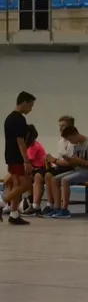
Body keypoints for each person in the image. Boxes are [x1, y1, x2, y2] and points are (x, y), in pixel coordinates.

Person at [44, 125, 88, 219]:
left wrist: (80, 161)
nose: (70, 142)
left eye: (70, 139)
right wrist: (69, 160)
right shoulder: (77, 145)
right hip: (78, 170)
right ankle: (57, 207)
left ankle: (64, 209)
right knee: (54, 179)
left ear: (75, 134)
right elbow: (75, 163)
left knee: (65, 180)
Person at [3, 91, 36, 225]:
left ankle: (14, 214)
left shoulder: (9, 117)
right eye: (30, 106)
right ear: (24, 103)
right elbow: (20, 140)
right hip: (17, 156)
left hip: (9, 155)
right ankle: (2, 202)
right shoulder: (18, 119)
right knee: (26, 184)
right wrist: (26, 160)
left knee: (17, 184)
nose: (31, 109)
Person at [23, 125, 48, 216]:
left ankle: (34, 204)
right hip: (34, 169)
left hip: (42, 169)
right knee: (13, 177)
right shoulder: (27, 145)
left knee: (24, 176)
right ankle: (10, 204)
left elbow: (27, 161)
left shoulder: (34, 146)